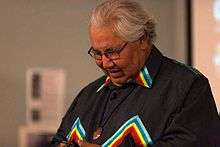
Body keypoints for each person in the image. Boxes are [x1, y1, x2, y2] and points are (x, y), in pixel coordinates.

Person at [50, 0, 220, 146]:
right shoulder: (87, 95)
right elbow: (59, 139)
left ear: (142, 40)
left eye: (113, 52)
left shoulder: (187, 87)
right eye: (97, 54)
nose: (105, 63)